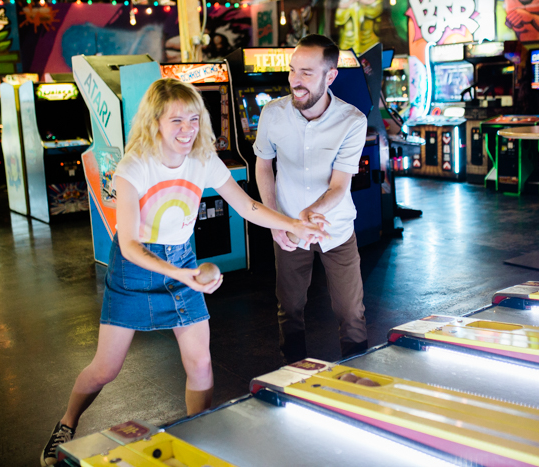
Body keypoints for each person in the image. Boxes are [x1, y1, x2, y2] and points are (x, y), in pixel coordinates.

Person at [41, 78, 326, 465]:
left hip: (182, 262)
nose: (188, 129)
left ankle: (199, 436)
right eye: (176, 121)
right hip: (135, 270)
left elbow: (248, 207)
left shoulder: (203, 159)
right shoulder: (135, 166)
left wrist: (294, 224)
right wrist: (183, 275)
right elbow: (128, 245)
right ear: (154, 121)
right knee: (105, 369)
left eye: (193, 118)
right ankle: (67, 421)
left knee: (201, 363)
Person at [254, 34, 369, 364]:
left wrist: (305, 216)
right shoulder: (272, 114)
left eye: (307, 72)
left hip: (336, 228)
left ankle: (360, 381)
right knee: (289, 310)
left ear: (330, 76)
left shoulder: (352, 121)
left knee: (351, 313)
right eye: (292, 70)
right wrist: (277, 222)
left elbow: (340, 186)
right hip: (287, 230)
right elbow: (263, 166)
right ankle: (293, 377)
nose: (295, 80)